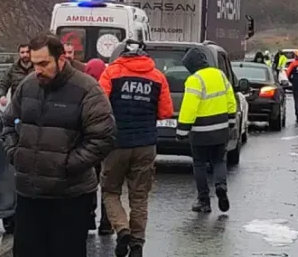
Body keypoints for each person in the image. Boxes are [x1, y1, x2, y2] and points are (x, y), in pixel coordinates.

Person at [2, 34, 115, 257]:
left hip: (69, 197)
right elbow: (7, 123)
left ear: (61, 59)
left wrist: (66, 165)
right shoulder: (28, 86)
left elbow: (103, 137)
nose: (38, 70)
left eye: (44, 64)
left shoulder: (87, 89)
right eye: (34, 64)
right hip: (29, 193)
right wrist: (15, 154)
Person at [99, 40, 173, 257]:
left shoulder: (111, 73)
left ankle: (122, 229)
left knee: (110, 191)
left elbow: (100, 106)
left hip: (116, 143)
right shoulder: (157, 77)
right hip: (145, 144)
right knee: (139, 197)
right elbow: (166, 112)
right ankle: (137, 244)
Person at [176, 46, 236, 214]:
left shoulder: (195, 80)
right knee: (219, 161)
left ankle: (204, 201)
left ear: (192, 65)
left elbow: (190, 107)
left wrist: (182, 130)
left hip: (201, 131)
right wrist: (231, 119)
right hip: (221, 128)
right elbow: (230, 97)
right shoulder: (220, 75)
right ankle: (221, 186)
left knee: (199, 164)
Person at [83, 57, 112, 235]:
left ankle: (88, 217)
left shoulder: (83, 90)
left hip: (87, 145)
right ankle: (106, 223)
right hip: (107, 145)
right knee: (108, 184)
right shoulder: (109, 89)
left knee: (88, 182)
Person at [0, 42, 33, 107]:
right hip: (17, 107)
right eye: (22, 52)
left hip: (34, 107)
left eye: (27, 52)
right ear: (19, 54)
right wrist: (2, 96)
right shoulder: (12, 69)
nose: (25, 54)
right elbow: (3, 84)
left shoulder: (37, 68)